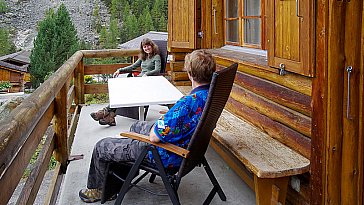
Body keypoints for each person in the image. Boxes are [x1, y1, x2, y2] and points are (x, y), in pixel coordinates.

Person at [78, 50, 216, 203]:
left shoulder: (186, 104)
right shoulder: (210, 95)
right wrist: (168, 119)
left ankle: (99, 190)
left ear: (190, 73)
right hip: (186, 146)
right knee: (136, 125)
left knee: (101, 146)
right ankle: (127, 173)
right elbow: (181, 121)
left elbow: (154, 137)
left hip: (166, 154)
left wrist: (164, 122)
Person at [90, 38, 161, 126]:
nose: (146, 48)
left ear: (152, 46)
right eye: (144, 47)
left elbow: (157, 70)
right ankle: (109, 116)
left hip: (148, 82)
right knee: (122, 91)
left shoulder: (156, 57)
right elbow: (132, 67)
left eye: (148, 46)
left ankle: (105, 113)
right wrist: (120, 70)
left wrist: (147, 74)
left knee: (124, 92)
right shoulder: (143, 57)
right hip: (139, 80)